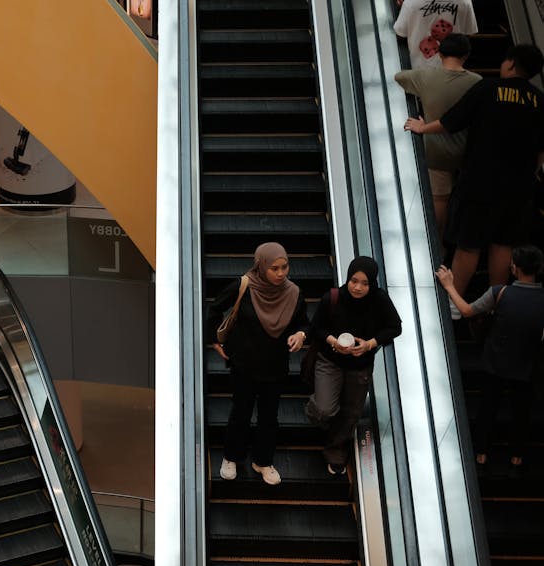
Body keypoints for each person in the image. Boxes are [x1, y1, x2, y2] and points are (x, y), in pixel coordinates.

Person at [405, 45, 544, 305]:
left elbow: (452, 121)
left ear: (511, 64)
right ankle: (496, 302)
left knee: (469, 244)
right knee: (503, 244)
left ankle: (455, 303)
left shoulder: (488, 89)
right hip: (519, 187)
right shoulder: (539, 99)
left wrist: (423, 127)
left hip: (480, 181)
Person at [206, 242, 309, 485]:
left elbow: (305, 323)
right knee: (240, 412)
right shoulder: (245, 285)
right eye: (274, 268)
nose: (281, 273)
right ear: (261, 266)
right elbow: (215, 308)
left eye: (285, 267)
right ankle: (232, 456)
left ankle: (263, 461)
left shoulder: (294, 293)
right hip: (243, 365)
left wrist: (301, 335)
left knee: (268, 417)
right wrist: (214, 340)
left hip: (274, 367)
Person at [436, 245, 544, 470]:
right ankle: (517, 458)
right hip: (527, 365)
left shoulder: (500, 292)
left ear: (514, 267)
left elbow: (466, 311)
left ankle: (482, 455)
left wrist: (448, 285)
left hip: (495, 362)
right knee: (521, 411)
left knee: (488, 407)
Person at [306, 257, 403, 474]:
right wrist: (333, 342)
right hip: (330, 360)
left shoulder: (379, 300)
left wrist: (369, 344)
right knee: (324, 408)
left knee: (351, 412)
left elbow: (395, 327)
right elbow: (316, 329)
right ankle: (315, 413)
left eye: (364, 283)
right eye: (353, 281)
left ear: (372, 283)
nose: (358, 287)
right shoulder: (332, 298)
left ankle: (336, 448)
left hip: (360, 365)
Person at [395, 34, 482, 243]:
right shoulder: (477, 82)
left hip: (436, 151)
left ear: (440, 52)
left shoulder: (426, 77)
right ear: (467, 55)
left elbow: (399, 77)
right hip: (468, 152)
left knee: (440, 198)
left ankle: (436, 243)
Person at [393, 0, 477, 69]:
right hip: (453, 69)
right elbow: (468, 35)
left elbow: (400, 34)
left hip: (419, 69)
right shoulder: (465, 2)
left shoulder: (410, 3)